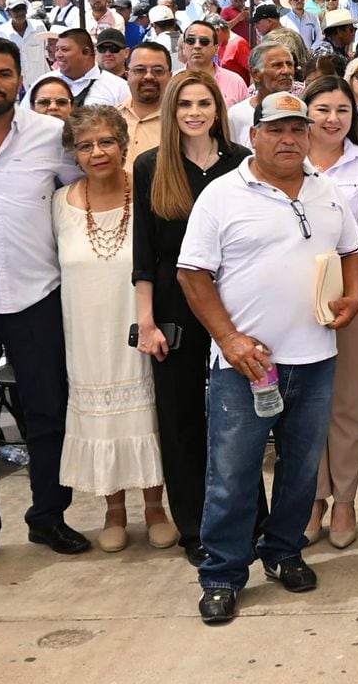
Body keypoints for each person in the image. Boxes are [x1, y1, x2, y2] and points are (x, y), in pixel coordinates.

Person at [178, 93, 358, 624]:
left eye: (297, 130)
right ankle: (222, 574)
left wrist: (351, 296)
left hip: (315, 356)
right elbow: (193, 274)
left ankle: (283, 552)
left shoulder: (327, 191)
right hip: (247, 364)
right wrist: (229, 339)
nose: (289, 139)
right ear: (253, 135)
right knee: (233, 474)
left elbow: (352, 250)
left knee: (302, 469)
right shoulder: (222, 194)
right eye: (276, 129)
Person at [0, 38, 92, 580]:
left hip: (36, 297)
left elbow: (88, 193)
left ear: (19, 80)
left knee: (48, 416)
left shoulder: (51, 136)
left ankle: (48, 516)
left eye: (4, 73)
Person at [133, 71, 249, 567]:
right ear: (172, 112)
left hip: (234, 300)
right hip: (174, 304)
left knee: (240, 417)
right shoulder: (151, 166)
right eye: (185, 105)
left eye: (205, 102)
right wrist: (147, 321)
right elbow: (143, 252)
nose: (195, 112)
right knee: (180, 417)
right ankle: (193, 527)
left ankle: (248, 515)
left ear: (219, 109)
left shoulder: (242, 164)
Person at [53, 105, 172, 553]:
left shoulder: (147, 194)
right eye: (85, 145)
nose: (97, 152)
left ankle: (157, 506)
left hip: (138, 326)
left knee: (148, 413)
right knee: (100, 420)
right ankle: (114, 510)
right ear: (75, 154)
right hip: (85, 333)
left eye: (106, 142)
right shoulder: (58, 205)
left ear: (124, 145)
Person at [302, 77, 358, 551]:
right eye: (322, 109)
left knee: (349, 401)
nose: (332, 118)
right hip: (297, 300)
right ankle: (313, 497)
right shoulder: (288, 161)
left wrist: (351, 289)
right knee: (308, 402)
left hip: (357, 296)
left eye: (342, 109)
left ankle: (347, 499)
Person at [226, 42, 297, 147]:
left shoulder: (301, 109)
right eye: (277, 65)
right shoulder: (236, 115)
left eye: (289, 64)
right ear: (256, 74)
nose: (287, 71)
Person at [117, 42, 173, 169]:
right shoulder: (110, 119)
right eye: (140, 70)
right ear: (127, 76)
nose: (148, 76)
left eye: (158, 71)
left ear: (170, 77)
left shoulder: (181, 123)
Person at [179, 20, 250, 107]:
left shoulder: (235, 82)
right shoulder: (171, 81)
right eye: (190, 41)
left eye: (204, 41)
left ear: (216, 49)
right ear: (184, 48)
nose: (197, 46)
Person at [54, 28, 131, 107]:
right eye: (102, 49)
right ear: (96, 51)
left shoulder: (121, 87)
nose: (108, 53)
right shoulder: (47, 81)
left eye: (114, 49)